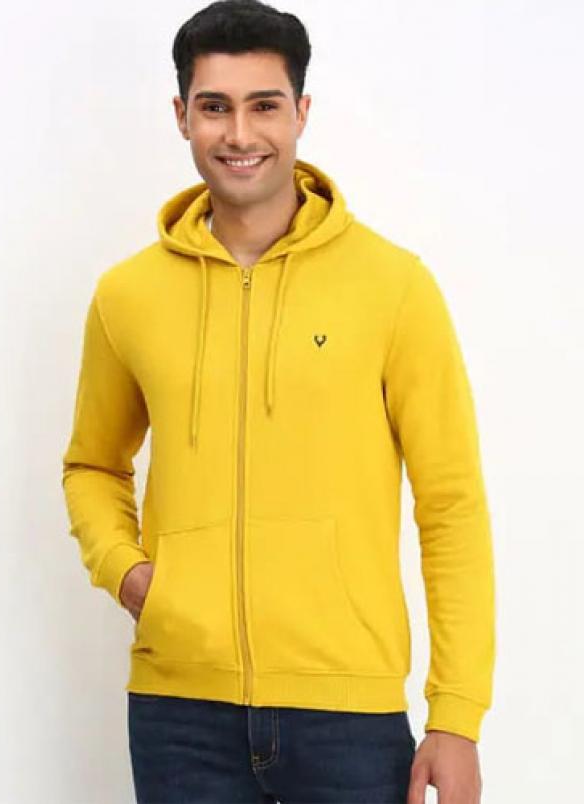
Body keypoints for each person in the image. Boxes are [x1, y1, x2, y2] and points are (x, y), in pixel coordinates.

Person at [61, 1, 496, 802]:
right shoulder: (128, 296)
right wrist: (129, 575)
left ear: (301, 112)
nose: (240, 133)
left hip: (348, 713)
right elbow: (92, 464)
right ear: (182, 116)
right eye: (214, 107)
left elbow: (452, 505)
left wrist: (457, 715)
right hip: (178, 715)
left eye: (264, 105)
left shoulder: (393, 287)